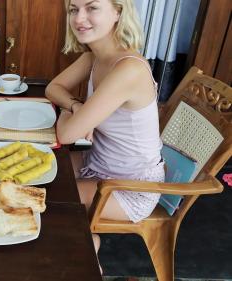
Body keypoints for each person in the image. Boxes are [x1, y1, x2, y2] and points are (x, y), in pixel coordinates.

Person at [45, 0, 164, 270]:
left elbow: (66, 134)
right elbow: (53, 88)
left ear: (118, 12)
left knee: (48, 199)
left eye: (92, 8)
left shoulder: (128, 69)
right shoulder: (93, 57)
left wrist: (72, 114)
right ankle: (81, 242)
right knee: (38, 173)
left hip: (132, 186)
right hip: (97, 163)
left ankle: (88, 249)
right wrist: (76, 106)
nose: (79, 18)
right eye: (74, 10)